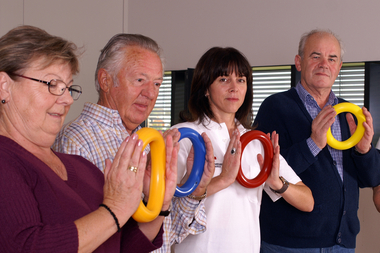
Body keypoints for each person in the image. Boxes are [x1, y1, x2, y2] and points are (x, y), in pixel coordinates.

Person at [0, 25, 173, 253]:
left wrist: (159, 205)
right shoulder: (6, 162)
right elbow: (26, 246)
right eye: (52, 85)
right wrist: (114, 211)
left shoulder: (83, 168)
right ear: (4, 87)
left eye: (68, 88)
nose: (67, 100)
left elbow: (120, 248)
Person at [53, 33, 215, 252]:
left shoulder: (148, 142)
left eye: (157, 83)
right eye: (140, 80)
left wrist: (196, 187)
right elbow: (86, 243)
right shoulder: (77, 140)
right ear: (106, 81)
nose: (150, 93)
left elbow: (169, 235)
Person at [172, 47, 314, 253]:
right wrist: (223, 180)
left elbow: (307, 201)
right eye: (223, 79)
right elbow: (165, 206)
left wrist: (277, 183)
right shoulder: (184, 136)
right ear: (205, 87)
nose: (234, 88)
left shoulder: (257, 141)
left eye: (241, 80)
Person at [254, 29, 380, 252]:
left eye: (332, 58)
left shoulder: (349, 113)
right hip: (289, 245)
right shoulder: (275, 107)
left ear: (339, 67)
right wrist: (313, 143)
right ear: (299, 62)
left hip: (342, 243)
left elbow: (371, 179)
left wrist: (364, 150)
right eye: (316, 56)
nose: (324, 64)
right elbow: (265, 171)